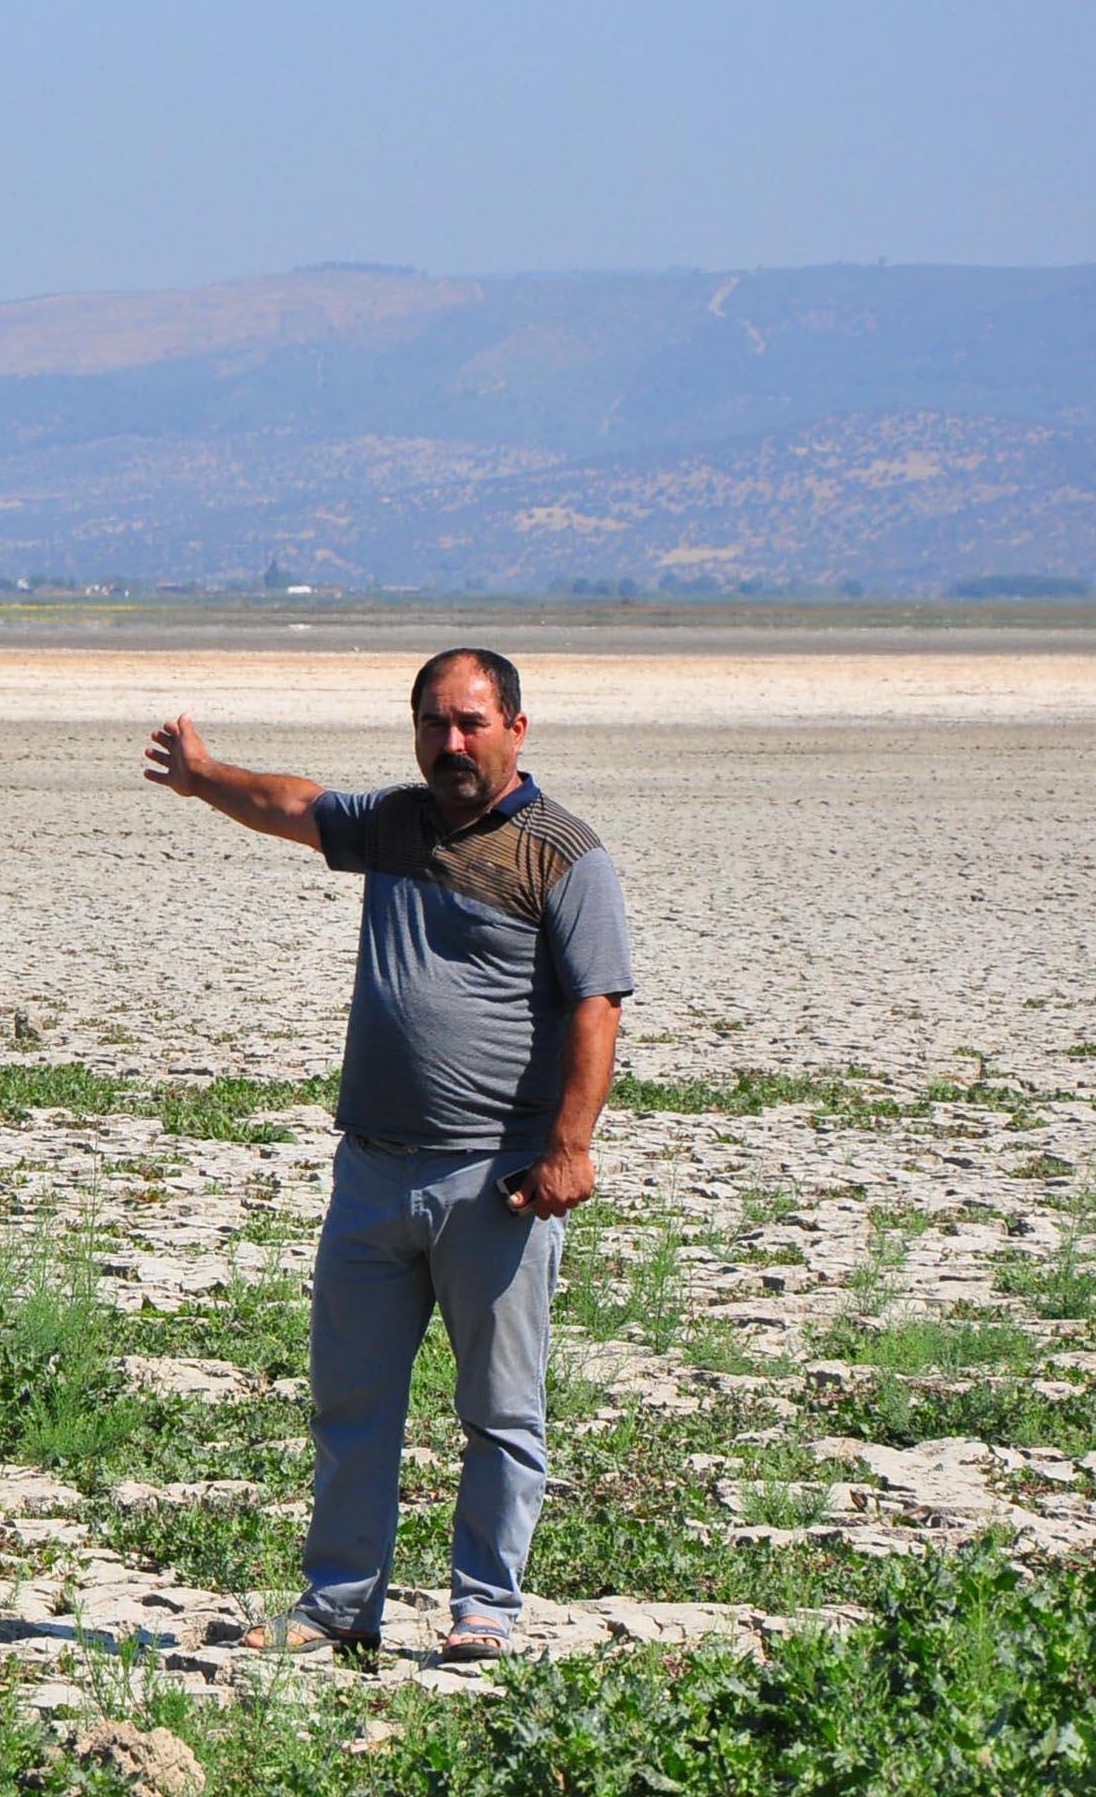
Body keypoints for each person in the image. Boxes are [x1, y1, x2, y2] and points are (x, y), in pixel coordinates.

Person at [142, 647, 631, 1663]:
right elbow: (295, 805)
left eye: (471, 722)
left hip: (494, 1181)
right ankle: (338, 1605)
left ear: (516, 728)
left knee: (499, 1411)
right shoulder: (397, 824)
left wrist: (570, 1147)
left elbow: (597, 1004)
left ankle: (484, 1610)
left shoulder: (565, 853)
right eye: (434, 724)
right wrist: (203, 776)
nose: (452, 743)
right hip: (372, 1170)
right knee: (353, 1401)